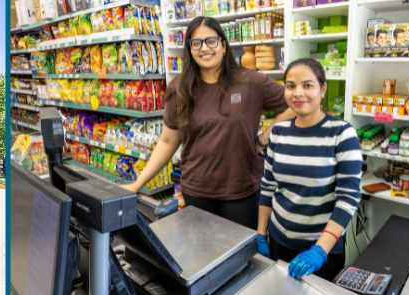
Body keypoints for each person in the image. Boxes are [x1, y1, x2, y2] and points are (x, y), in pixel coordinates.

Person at [121, 16, 295, 230]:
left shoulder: (252, 81)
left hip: (242, 190)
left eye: (211, 41)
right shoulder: (179, 89)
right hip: (197, 190)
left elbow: (295, 104)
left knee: (240, 258)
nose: (204, 48)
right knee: (203, 256)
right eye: (196, 43)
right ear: (190, 49)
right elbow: (167, 142)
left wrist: (265, 138)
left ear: (223, 44)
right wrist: (138, 184)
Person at [256, 58, 362, 281]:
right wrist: (261, 234)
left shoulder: (341, 133)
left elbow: (348, 198)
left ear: (323, 89)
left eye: (307, 85)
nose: (298, 93)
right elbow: (268, 187)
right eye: (290, 86)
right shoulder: (278, 132)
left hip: (321, 250)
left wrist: (320, 250)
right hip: (278, 241)